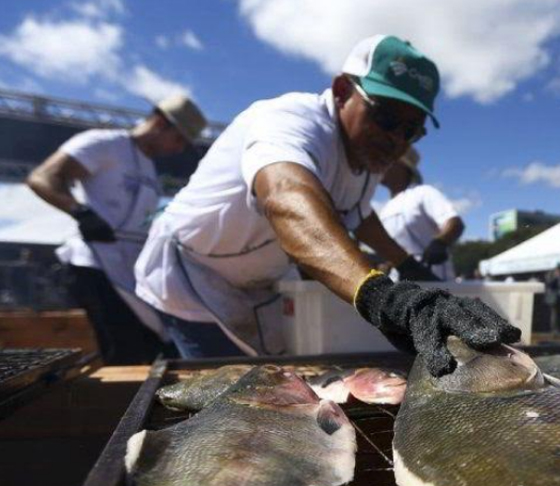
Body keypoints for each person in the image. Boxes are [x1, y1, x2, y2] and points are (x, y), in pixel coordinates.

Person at [134, 35, 517, 374]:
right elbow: (285, 195)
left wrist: (410, 267)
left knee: (275, 383)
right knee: (223, 390)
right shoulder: (289, 120)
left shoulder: (366, 162)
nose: (396, 139)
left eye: (411, 130)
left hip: (258, 282)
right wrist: (383, 296)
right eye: (385, 117)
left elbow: (359, 216)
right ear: (341, 91)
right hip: (191, 271)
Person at [27, 94, 206, 364]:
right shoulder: (104, 144)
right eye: (179, 139)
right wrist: (81, 212)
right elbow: (42, 178)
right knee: (124, 352)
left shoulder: (149, 168)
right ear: (160, 123)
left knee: (155, 346)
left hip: (127, 269)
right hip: (95, 264)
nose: (179, 149)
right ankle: (118, 405)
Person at [378, 147, 464, 280]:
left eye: (389, 160)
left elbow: (454, 222)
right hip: (400, 283)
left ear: (402, 167)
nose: (382, 163)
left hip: (434, 279)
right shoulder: (385, 209)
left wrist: (440, 243)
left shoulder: (423, 193)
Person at [544, 265, 560, 338]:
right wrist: (555, 278)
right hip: (556, 300)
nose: (558, 272)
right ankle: (556, 332)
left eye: (559, 271)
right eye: (557, 271)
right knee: (556, 317)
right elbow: (550, 286)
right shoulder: (554, 279)